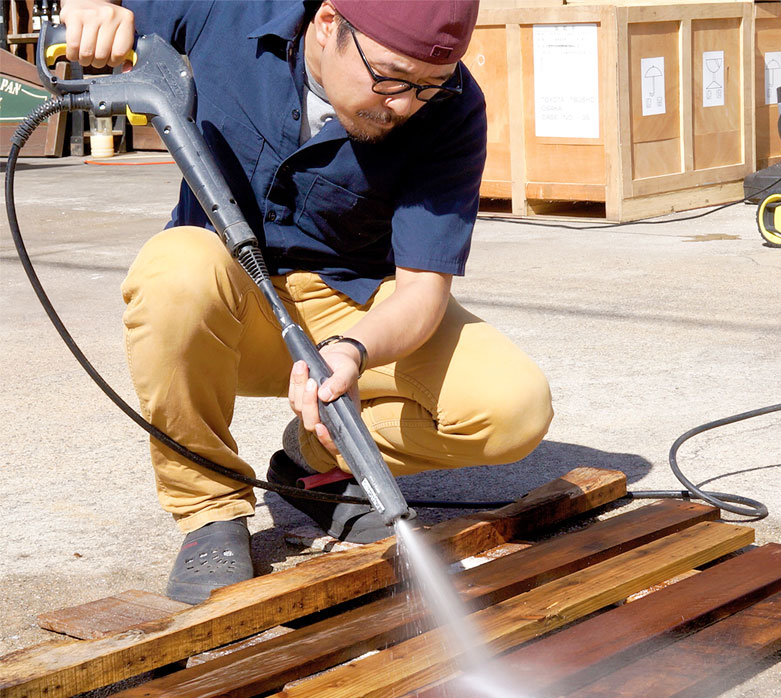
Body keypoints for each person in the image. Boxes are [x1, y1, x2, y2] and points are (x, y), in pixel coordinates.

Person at [58, 0, 553, 604]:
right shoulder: (229, 12)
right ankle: (209, 507)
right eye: (391, 77)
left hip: (349, 310)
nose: (404, 104)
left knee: (512, 408)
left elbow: (422, 289)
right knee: (176, 267)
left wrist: (355, 348)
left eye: (429, 87)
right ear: (327, 25)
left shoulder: (449, 110)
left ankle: (316, 461)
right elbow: (104, 10)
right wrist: (91, 7)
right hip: (222, 305)